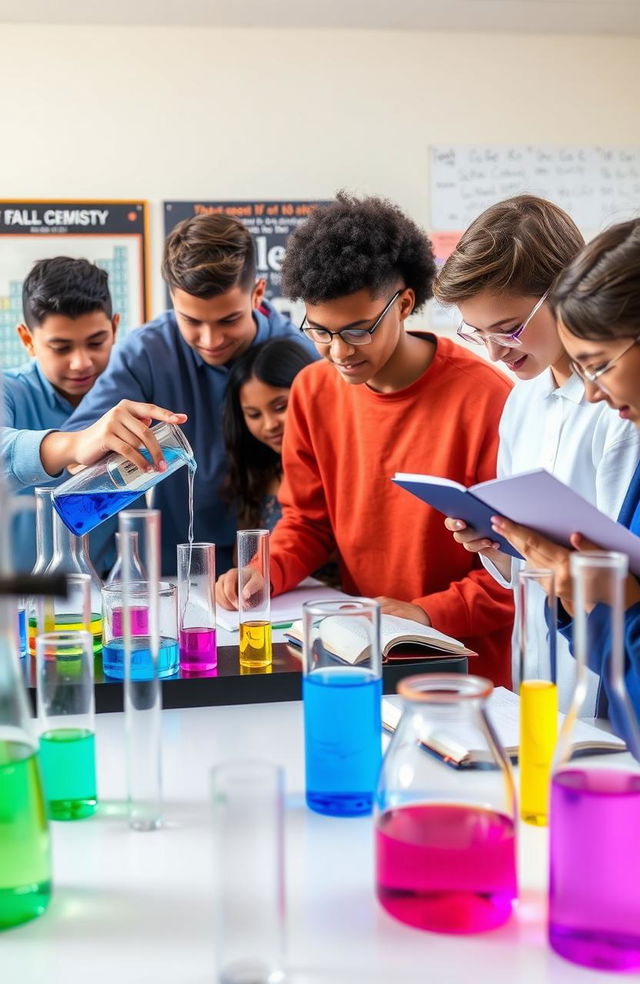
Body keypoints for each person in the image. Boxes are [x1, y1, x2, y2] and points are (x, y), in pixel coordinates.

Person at [216, 192, 515, 687]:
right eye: (320, 331)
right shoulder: (313, 389)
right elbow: (307, 523)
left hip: (463, 671)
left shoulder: (488, 401)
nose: (338, 352)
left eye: (357, 331)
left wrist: (420, 615)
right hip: (356, 659)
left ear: (404, 304)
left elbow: (516, 571)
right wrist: (265, 569)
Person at [434, 197, 640, 706]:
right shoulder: (520, 399)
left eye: (508, 329)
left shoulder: (623, 408)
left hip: (607, 666)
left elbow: (622, 565)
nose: (494, 352)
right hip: (540, 653)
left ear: (566, 290)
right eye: (476, 334)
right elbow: (520, 567)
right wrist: (496, 539)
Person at [35, 213, 316, 574]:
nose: (210, 340)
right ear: (171, 299)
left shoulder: (304, 360)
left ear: (257, 292)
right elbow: (75, 464)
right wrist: (98, 441)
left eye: (228, 320)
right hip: (176, 571)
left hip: (282, 569)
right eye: (192, 321)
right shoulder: (146, 353)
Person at [488, 219, 640, 732]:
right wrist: (497, 539)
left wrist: (604, 595)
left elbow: (621, 579)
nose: (593, 391)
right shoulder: (521, 400)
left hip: (607, 682)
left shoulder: (620, 420)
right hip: (570, 651)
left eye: (598, 364)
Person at [2, 256, 118, 570]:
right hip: (17, 604)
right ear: (28, 339)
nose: (81, 362)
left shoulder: (129, 394)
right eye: (61, 347)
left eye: (96, 342)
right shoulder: (8, 390)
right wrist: (76, 445)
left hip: (104, 599)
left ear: (115, 328)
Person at [222, 338, 315, 530]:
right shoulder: (257, 475)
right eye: (254, 414)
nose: (270, 425)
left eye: (280, 407)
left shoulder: (334, 470)